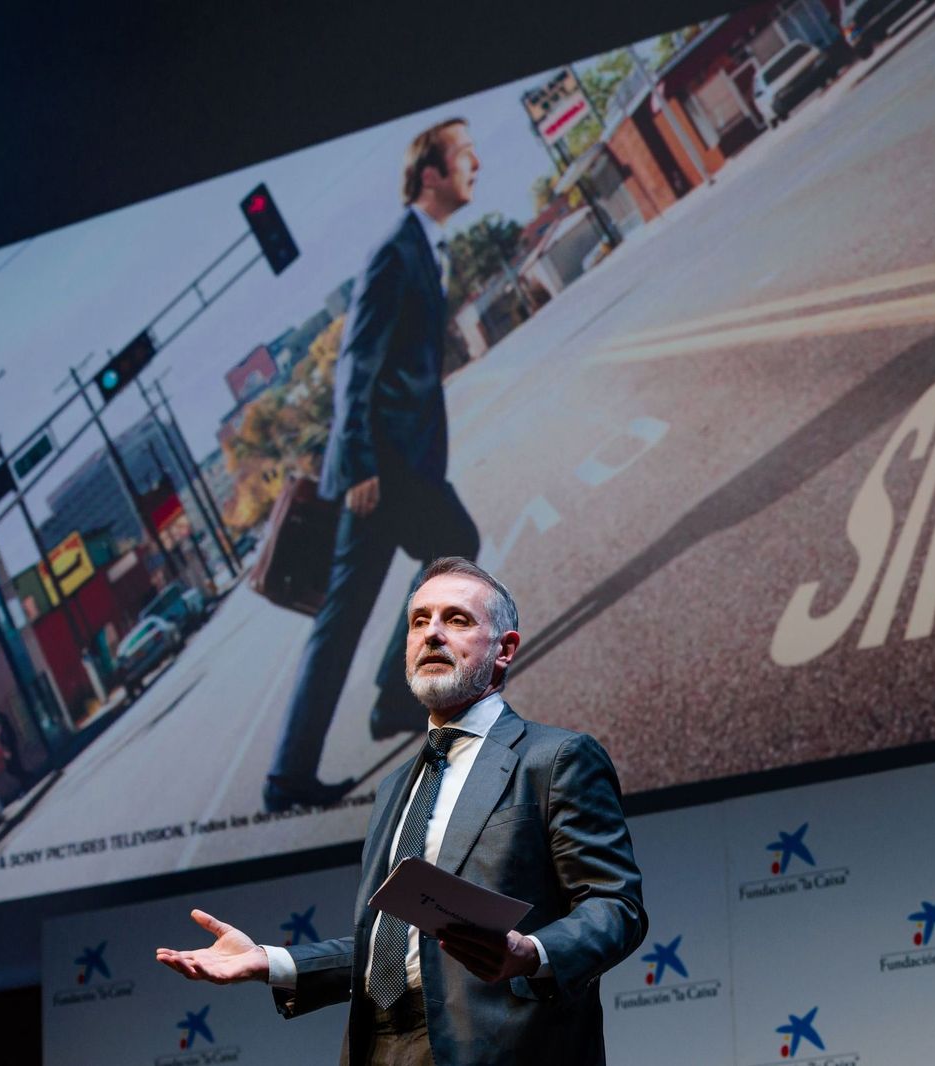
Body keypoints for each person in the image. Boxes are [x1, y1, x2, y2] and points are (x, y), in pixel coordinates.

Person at [158, 558, 646, 1066]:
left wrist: (533, 953)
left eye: (456, 620)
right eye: (418, 621)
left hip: (503, 1044)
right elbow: (394, 947)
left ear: (504, 650)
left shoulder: (554, 760)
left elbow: (616, 907)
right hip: (379, 1045)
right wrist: (271, 961)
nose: (431, 633)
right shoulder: (396, 787)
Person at [263, 118, 485, 812]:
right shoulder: (396, 250)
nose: (476, 164)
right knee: (345, 616)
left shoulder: (422, 247)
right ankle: (287, 777)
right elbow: (355, 362)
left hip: (402, 467)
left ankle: (392, 697)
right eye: (464, 156)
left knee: (449, 556)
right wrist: (359, 463)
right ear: (431, 175)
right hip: (378, 472)